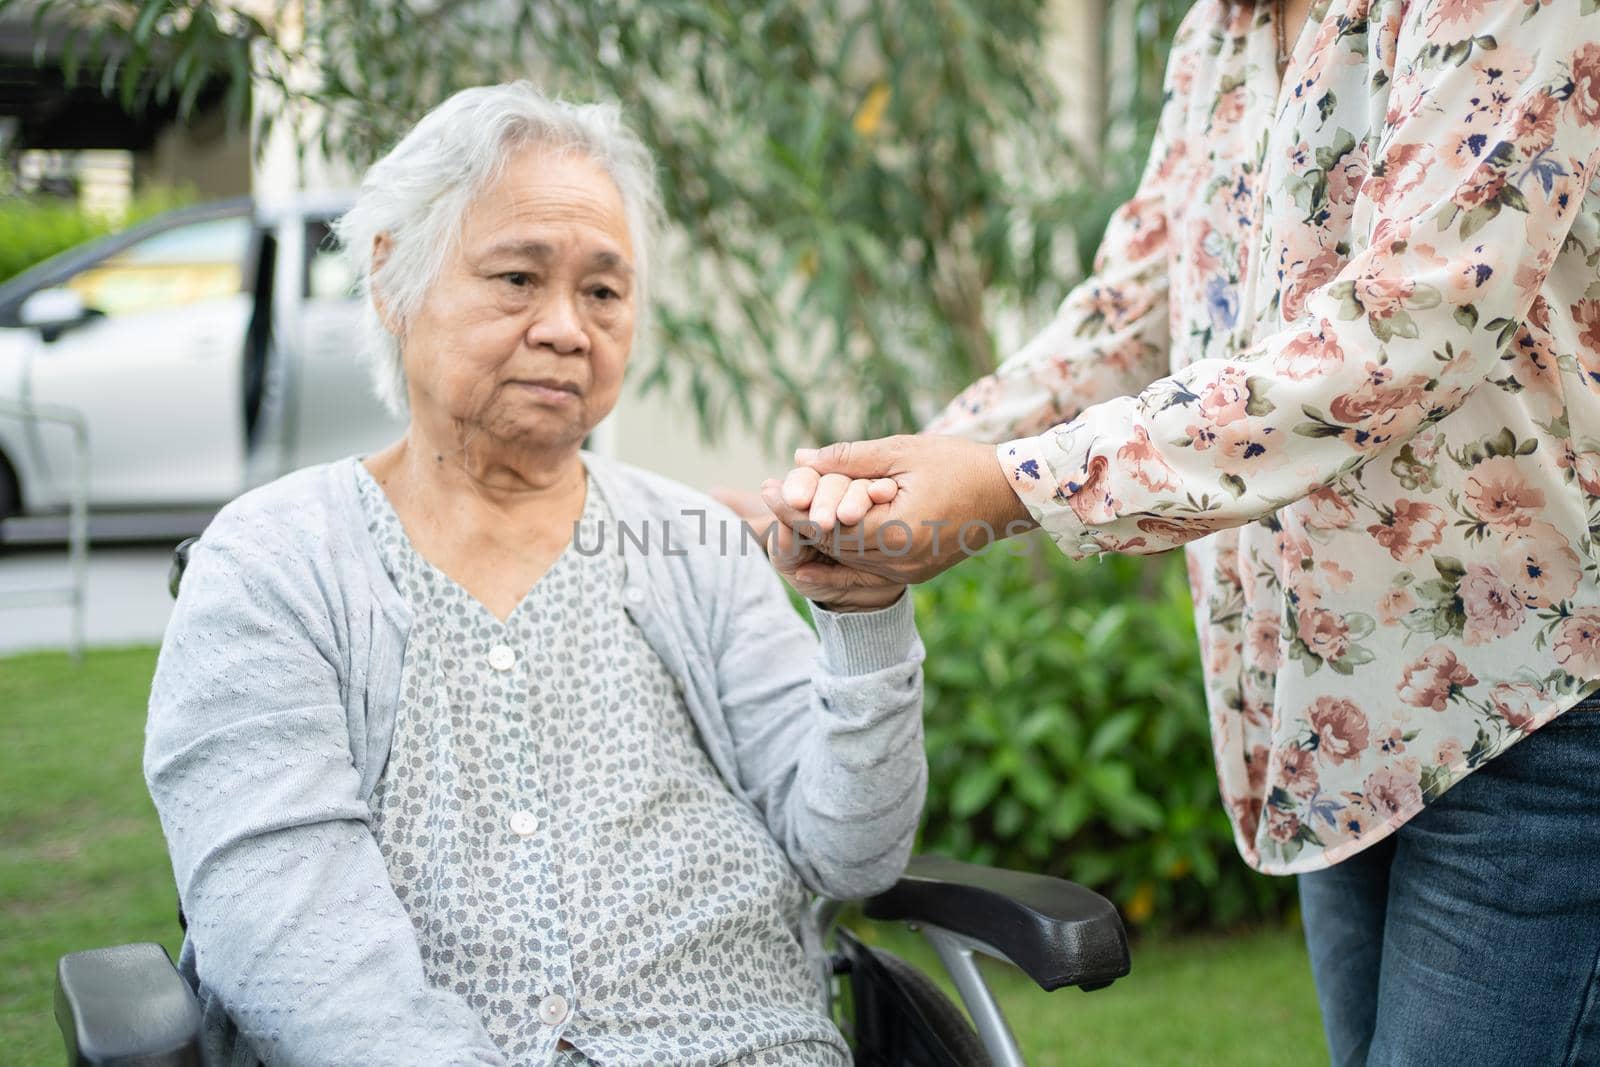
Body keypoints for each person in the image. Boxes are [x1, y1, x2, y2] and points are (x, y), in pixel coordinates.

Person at [748, 1, 1600, 1063]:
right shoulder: (1218, 32)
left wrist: (1011, 485)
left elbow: (1410, 327)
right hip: (1330, 715)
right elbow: (1136, 307)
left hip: (1531, 705)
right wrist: (875, 482)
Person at [144, 83, 929, 1067]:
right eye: (518, 277)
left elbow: (849, 850)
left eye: (602, 290)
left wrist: (866, 622)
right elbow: (291, 939)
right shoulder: (274, 560)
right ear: (393, 281)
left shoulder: (692, 540)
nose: (567, 327)